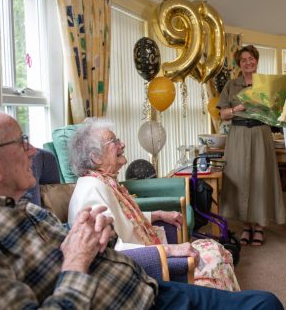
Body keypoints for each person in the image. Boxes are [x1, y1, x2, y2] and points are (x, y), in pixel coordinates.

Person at [0, 104, 283, 309]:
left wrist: (98, 239)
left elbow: (97, 237)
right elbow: (75, 259)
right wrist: (77, 260)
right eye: (20, 142)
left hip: (147, 288)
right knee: (265, 305)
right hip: (136, 298)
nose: (33, 151)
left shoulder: (19, 208)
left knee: (264, 302)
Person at [67, 118, 240, 291]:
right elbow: (110, 250)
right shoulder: (91, 190)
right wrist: (170, 250)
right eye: (114, 141)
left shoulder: (102, 181)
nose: (123, 144)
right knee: (214, 253)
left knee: (215, 248)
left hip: (145, 250)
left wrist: (157, 214)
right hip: (139, 269)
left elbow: (123, 219)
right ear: (96, 157)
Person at [217, 45, 286, 247]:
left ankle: (259, 227)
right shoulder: (231, 85)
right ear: (239, 64)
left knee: (260, 177)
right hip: (238, 134)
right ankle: (246, 226)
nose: (248, 62)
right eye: (244, 60)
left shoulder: (266, 83)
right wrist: (239, 107)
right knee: (239, 177)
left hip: (260, 133)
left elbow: (276, 112)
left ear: (257, 60)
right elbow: (223, 114)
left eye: (251, 58)